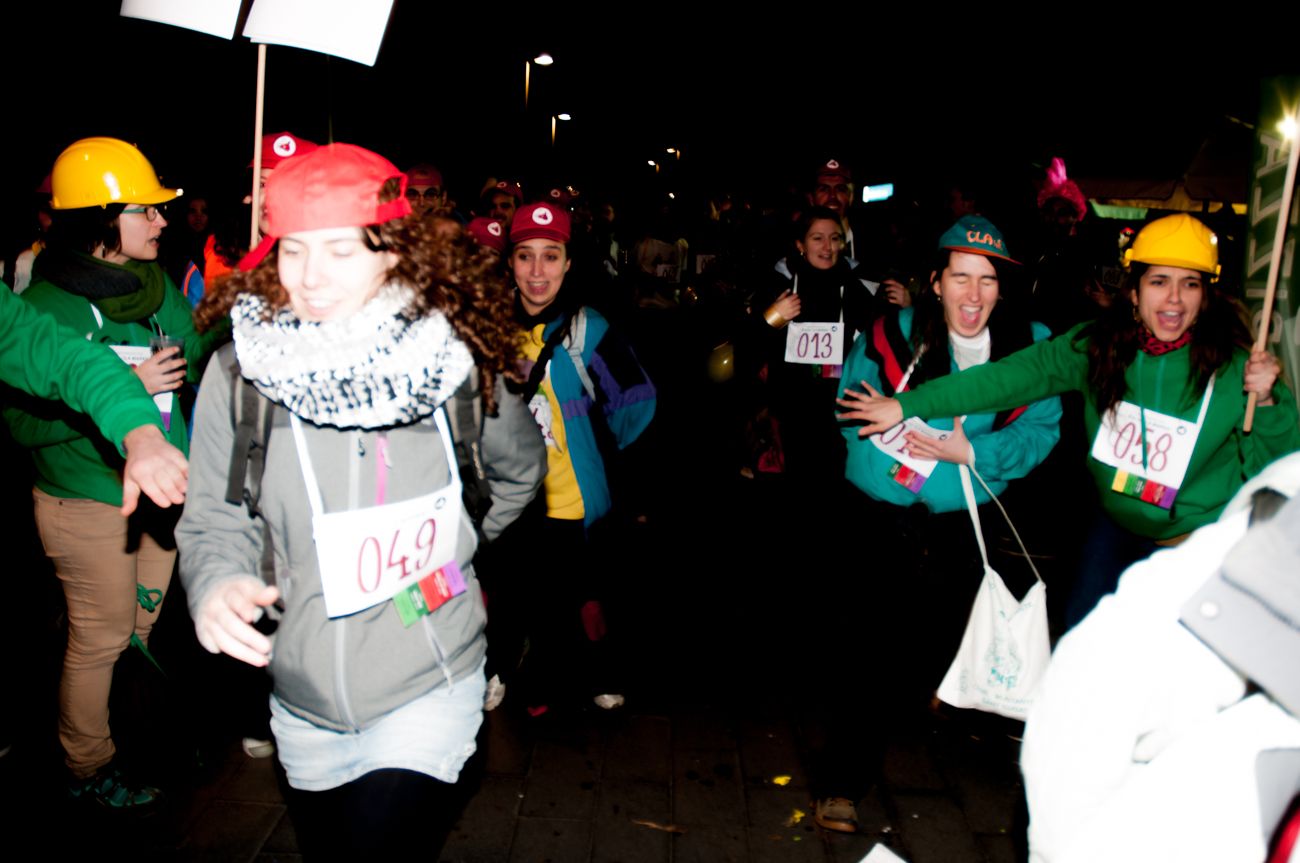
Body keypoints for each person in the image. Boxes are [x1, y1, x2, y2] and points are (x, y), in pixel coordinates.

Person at [176, 143, 544, 858]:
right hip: (301, 691)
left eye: (341, 250)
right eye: (293, 250)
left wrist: (447, 562)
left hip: (429, 679)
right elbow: (216, 516)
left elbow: (518, 472)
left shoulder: (453, 358)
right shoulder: (241, 374)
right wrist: (216, 581)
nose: (311, 277)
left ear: (393, 250)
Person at [838, 213, 1300, 627]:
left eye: (1190, 284)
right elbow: (998, 381)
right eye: (1159, 281)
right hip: (1115, 524)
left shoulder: (1240, 368)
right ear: (1134, 290)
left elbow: (1282, 469)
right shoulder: (1095, 346)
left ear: (1207, 295)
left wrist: (1270, 403)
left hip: (1195, 537)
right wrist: (906, 405)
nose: (1174, 299)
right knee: (1080, 637)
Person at [810, 216, 1061, 833]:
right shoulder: (895, 332)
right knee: (866, 646)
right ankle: (843, 782)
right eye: (960, 278)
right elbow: (849, 406)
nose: (973, 295)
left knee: (929, 642)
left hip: (959, 524)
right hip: (878, 514)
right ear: (936, 282)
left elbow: (1041, 432)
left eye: (987, 280)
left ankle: (915, 695)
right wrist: (881, 446)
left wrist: (973, 452)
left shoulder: (1030, 347)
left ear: (1003, 288)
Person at [3, 136, 212, 809]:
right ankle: (87, 765)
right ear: (99, 220)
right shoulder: (46, 307)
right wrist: (129, 385)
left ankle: (129, 733)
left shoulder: (154, 286)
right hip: (87, 503)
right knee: (99, 639)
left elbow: (195, 346)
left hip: (161, 494)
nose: (162, 220)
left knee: (138, 631)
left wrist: (232, 319)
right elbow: (22, 426)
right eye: (144, 210)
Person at [496, 200, 655, 714]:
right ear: (510, 262)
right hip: (506, 498)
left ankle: (598, 672)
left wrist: (600, 450)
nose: (537, 271)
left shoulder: (588, 330)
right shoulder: (488, 325)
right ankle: (502, 668)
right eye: (525, 256)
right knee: (512, 588)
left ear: (568, 263)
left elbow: (637, 401)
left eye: (550, 256)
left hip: (569, 496)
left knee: (584, 592)